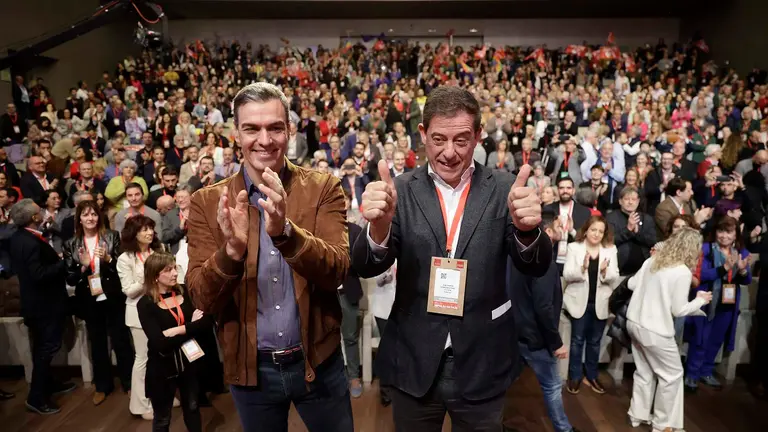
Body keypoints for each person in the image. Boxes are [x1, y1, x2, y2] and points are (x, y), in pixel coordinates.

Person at [351, 86, 551, 430]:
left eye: (461, 140)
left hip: (483, 358)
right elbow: (367, 264)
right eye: (439, 139)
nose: (449, 153)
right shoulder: (399, 189)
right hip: (414, 359)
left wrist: (529, 231)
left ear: (477, 137)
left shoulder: (505, 189)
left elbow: (536, 265)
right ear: (423, 134)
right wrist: (379, 228)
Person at [185, 83, 353, 432]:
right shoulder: (206, 202)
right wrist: (231, 253)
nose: (265, 140)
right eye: (252, 129)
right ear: (236, 133)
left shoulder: (323, 187)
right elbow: (201, 296)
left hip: (319, 363)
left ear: (289, 131)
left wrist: (285, 234)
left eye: (275, 127)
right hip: (250, 372)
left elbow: (337, 270)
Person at [626, 227, 712, 432]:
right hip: (655, 330)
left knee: (645, 371)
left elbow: (630, 284)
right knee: (672, 375)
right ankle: (663, 424)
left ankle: (637, 414)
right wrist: (700, 301)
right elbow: (678, 309)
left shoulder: (652, 261)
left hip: (634, 323)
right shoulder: (682, 271)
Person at [507, 211, 579, 432]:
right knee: (552, 385)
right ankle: (563, 429)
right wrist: (556, 342)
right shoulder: (544, 260)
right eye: (559, 225)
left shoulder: (517, 254)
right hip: (535, 337)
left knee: (502, 382)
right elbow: (543, 306)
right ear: (548, 231)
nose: (562, 228)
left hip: (514, 331)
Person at [62, 200, 133, 405]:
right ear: (79, 219)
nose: (90, 218)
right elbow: (70, 278)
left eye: (93, 214)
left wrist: (109, 259)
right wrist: (84, 267)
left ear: (99, 217)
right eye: (86, 215)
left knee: (121, 340)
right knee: (98, 343)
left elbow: (122, 266)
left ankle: (129, 383)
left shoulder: (112, 237)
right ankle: (103, 386)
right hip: (89, 299)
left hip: (112, 295)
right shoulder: (71, 244)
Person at [8, 199, 75, 414]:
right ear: (34, 218)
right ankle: (36, 398)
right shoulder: (28, 242)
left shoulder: (21, 237)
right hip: (44, 306)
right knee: (46, 350)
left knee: (42, 348)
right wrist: (62, 262)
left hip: (38, 304)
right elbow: (38, 275)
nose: (44, 213)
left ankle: (48, 384)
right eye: (39, 212)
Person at [138, 253, 212, 432]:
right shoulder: (146, 304)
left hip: (189, 364)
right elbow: (160, 343)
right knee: (163, 418)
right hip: (162, 368)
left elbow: (206, 323)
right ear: (155, 276)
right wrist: (191, 326)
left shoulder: (185, 291)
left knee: (193, 409)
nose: (174, 273)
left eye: (174, 268)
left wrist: (179, 329)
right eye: (168, 270)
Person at [685, 216, 752, 392]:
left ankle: (706, 371)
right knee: (700, 338)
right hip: (707, 300)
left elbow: (747, 280)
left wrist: (743, 270)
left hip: (728, 302)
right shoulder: (705, 249)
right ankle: (691, 374)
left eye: (729, 232)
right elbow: (701, 275)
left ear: (736, 235)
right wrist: (724, 269)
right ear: (715, 233)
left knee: (716, 339)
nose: (724, 236)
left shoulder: (741, 253)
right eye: (721, 231)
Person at [562, 215, 619, 395]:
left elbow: (614, 276)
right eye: (593, 230)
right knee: (577, 341)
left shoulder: (610, 250)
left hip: (600, 303)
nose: (596, 234)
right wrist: (583, 268)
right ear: (586, 230)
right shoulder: (574, 248)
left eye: (600, 231)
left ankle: (592, 375)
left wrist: (604, 271)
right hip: (579, 302)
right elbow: (568, 274)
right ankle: (575, 376)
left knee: (595, 342)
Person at [117, 215, 165, 419]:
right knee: (143, 359)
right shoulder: (125, 258)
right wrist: (149, 277)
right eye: (144, 229)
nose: (149, 233)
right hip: (138, 313)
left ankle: (163, 397)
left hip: (162, 308)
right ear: (134, 233)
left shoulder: (159, 250)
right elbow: (128, 290)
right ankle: (140, 405)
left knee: (164, 355)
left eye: (151, 228)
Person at [606, 187, 657, 275]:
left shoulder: (647, 219)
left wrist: (637, 233)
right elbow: (609, 241)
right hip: (619, 266)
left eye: (633, 199)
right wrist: (628, 230)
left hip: (643, 268)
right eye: (626, 199)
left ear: (638, 201)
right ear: (620, 201)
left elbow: (653, 241)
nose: (630, 202)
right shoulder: (611, 218)